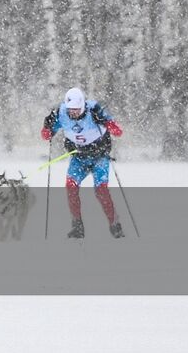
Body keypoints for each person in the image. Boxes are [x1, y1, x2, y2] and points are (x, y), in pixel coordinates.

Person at [41, 86, 125, 239]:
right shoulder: (61, 113)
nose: (73, 113)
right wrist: (47, 130)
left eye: (77, 110)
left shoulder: (94, 110)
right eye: (70, 110)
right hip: (79, 158)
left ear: (83, 106)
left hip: (99, 157)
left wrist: (109, 125)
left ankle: (114, 224)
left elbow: (118, 131)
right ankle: (77, 226)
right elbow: (47, 133)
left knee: (101, 191)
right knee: (71, 186)